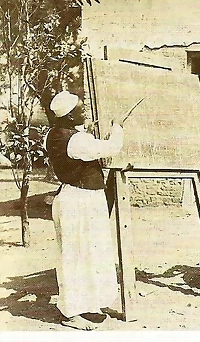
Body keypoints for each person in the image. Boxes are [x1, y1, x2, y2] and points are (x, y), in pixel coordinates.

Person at [45, 91, 124, 331]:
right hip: (79, 202)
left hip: (81, 198)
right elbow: (111, 148)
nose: (85, 112)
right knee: (76, 256)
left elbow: (79, 141)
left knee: (90, 253)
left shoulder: (57, 133)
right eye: (80, 110)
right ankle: (70, 313)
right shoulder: (77, 141)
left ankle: (88, 303)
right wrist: (118, 128)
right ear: (69, 116)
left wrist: (84, 128)